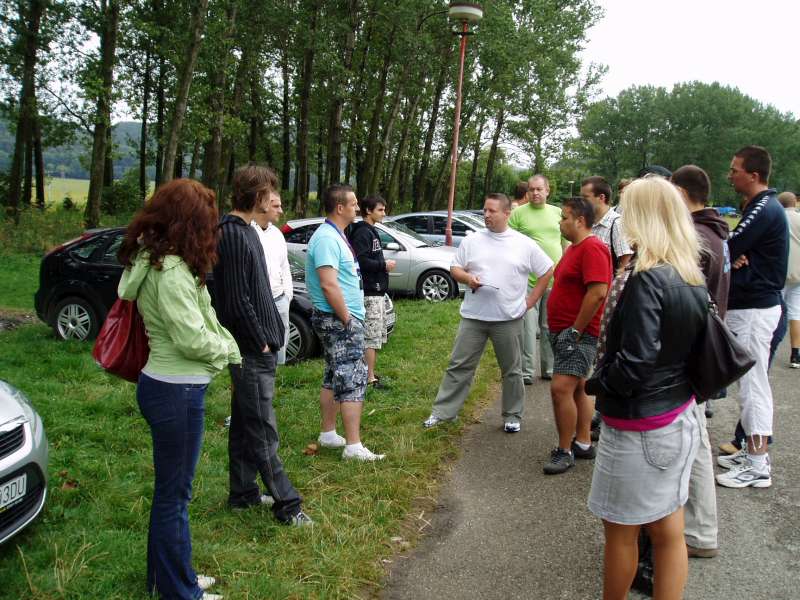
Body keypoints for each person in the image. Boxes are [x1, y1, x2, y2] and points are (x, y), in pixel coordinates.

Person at [585, 176, 707, 600]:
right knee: (669, 530)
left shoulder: (645, 279)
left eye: (627, 210)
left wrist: (597, 384)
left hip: (640, 427)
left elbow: (634, 365)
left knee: (621, 532)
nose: (622, 219)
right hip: (678, 416)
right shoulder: (689, 273)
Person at [118, 178, 239, 600]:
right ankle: (180, 591)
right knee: (175, 496)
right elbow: (190, 338)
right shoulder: (169, 271)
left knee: (171, 493)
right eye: (206, 217)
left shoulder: (164, 262)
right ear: (188, 221)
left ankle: (168, 576)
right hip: (176, 392)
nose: (211, 226)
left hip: (172, 388)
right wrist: (229, 350)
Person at [213, 164, 310, 525]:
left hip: (259, 346)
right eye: (269, 193)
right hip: (252, 350)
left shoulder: (247, 231)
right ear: (256, 197)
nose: (275, 201)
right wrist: (262, 342)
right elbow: (236, 301)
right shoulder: (232, 235)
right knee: (262, 428)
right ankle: (288, 505)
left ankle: (242, 494)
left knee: (244, 423)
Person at [423, 193, 553, 431]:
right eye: (485, 210)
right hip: (473, 316)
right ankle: (443, 413)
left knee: (512, 370)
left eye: (492, 211)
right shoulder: (472, 240)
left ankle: (512, 416)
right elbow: (455, 268)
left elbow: (546, 270)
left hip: (508, 318)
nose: (486, 215)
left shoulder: (523, 244)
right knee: (459, 366)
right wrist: (468, 278)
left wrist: (530, 301)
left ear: (507, 213)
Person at [716, 146, 788, 489]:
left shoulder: (763, 208)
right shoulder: (761, 207)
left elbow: (726, 248)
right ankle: (750, 451)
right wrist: (733, 254)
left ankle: (758, 463)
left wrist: (732, 254)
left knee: (753, 384)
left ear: (753, 175)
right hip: (750, 306)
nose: (730, 175)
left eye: (735, 170)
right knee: (749, 382)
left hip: (755, 309)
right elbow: (732, 249)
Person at [671, 164, 730, 559]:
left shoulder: (695, 237)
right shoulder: (715, 232)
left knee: (692, 443)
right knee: (696, 440)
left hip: (691, 354)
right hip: (702, 350)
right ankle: (699, 530)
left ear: (680, 193)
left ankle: (698, 532)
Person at [306, 183, 385, 461]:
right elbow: (328, 284)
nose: (357, 208)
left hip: (339, 318)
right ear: (340, 208)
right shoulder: (327, 238)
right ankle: (353, 446)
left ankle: (328, 434)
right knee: (352, 378)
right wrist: (347, 319)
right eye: (353, 204)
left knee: (333, 374)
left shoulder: (336, 234)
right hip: (339, 319)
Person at [543, 196, 611, 474]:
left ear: (580, 221)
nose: (560, 222)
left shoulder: (593, 248)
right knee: (579, 387)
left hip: (578, 334)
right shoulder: (574, 247)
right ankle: (583, 442)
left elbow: (598, 292)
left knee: (560, 389)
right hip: (566, 331)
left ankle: (564, 450)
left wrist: (574, 331)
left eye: (564, 217)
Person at [508, 174, 563, 383]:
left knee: (549, 327)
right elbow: (508, 243)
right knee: (528, 328)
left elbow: (566, 243)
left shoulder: (558, 213)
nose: (535, 193)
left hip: (554, 280)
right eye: (531, 189)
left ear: (547, 191)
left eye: (539, 189)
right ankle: (526, 371)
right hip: (527, 281)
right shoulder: (517, 214)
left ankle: (549, 369)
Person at [347, 195, 396, 389]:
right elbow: (360, 261)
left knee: (375, 336)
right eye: (380, 210)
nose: (384, 213)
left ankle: (369, 373)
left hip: (377, 292)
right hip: (369, 292)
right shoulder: (362, 233)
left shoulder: (371, 230)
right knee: (370, 337)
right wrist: (383, 265)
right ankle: (369, 378)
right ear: (368, 211)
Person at [252, 188, 293, 365]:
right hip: (257, 304)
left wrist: (287, 295)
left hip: (280, 299)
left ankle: (276, 375)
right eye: (276, 206)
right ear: (263, 205)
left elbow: (284, 266)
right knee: (259, 357)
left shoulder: (277, 234)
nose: (280, 211)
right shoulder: (247, 232)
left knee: (278, 353)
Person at [581, 176, 633, 271]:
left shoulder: (616, 223)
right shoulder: (585, 222)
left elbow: (625, 262)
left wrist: (617, 280)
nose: (581, 201)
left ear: (601, 197)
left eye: (585, 197)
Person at [778, 191, 800, 368]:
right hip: (798, 273)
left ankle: (769, 346)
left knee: (776, 311)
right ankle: (795, 354)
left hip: (779, 271)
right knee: (795, 313)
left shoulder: (777, 217)